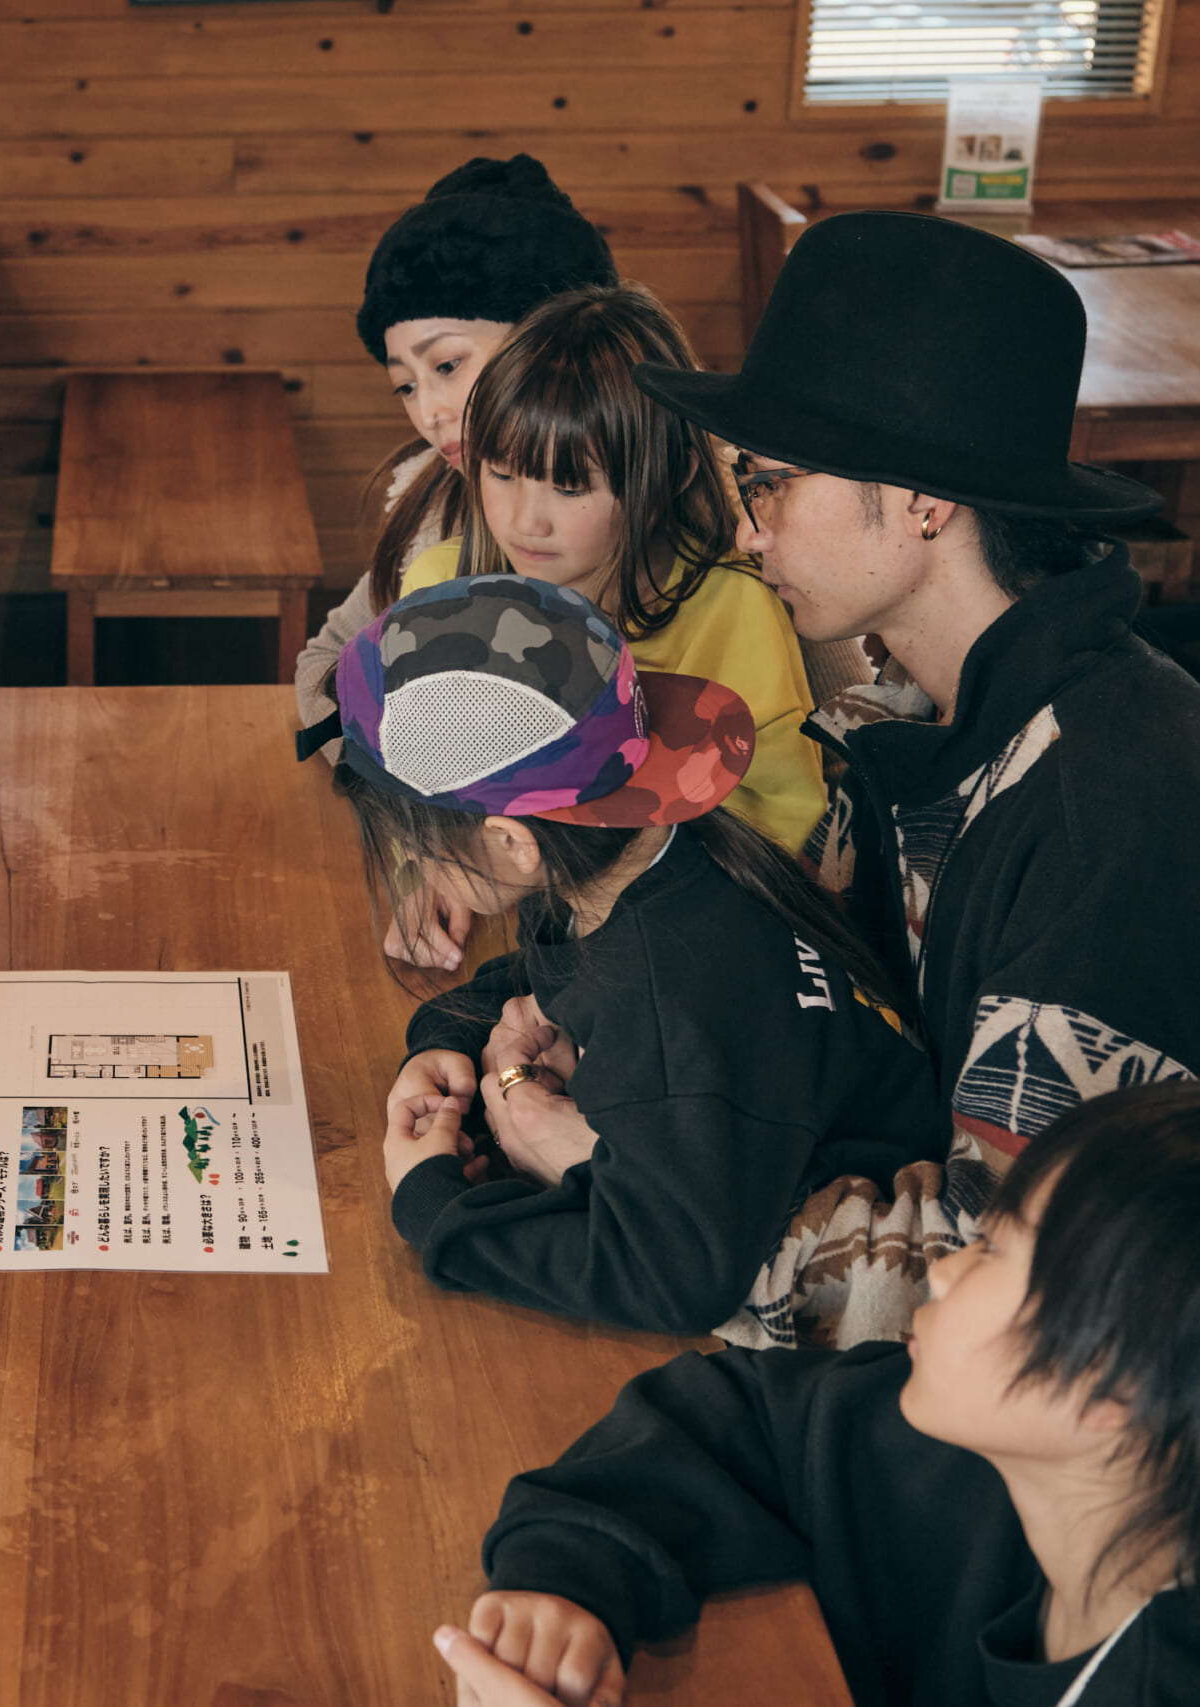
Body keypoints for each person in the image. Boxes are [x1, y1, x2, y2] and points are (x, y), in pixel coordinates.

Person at [631, 211, 1200, 1256]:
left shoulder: (1105, 826)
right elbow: (790, 964)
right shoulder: (920, 710)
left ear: (920, 500)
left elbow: (1005, 1286)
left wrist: (643, 1192)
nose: (745, 527)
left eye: (769, 481)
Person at [448, 1079, 1200, 1707]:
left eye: (995, 1251)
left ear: (1112, 1384)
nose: (942, 1269)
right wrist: (570, 1580)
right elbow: (743, 1411)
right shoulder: (1019, 1460)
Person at [319, 574, 944, 1340]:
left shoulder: (667, 996)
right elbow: (544, 977)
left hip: (843, 1307)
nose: (417, 870)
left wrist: (435, 1204)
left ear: (512, 842)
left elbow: (671, 1273)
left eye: (418, 853)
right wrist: (445, 1039)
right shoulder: (650, 863)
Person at [386, 282, 829, 861]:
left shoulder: (736, 610)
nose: (525, 522)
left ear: (669, 476)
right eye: (500, 474)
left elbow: (783, 824)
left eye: (570, 487)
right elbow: (413, 783)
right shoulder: (438, 589)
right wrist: (425, 871)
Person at [295, 153, 618, 759]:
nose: (429, 413)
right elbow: (327, 658)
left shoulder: (715, 505)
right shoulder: (432, 509)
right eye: (405, 385)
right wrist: (404, 776)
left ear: (556, 340)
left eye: (447, 365)